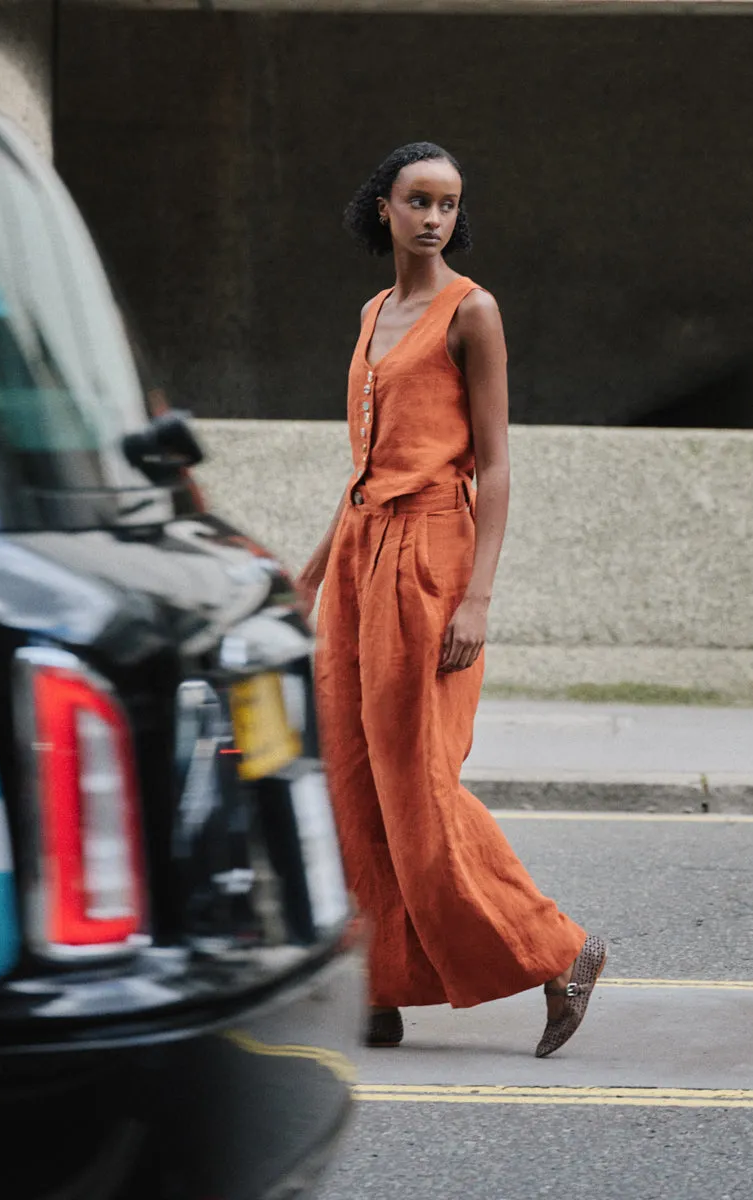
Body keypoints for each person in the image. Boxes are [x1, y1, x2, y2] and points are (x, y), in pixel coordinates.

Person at [295, 142, 605, 1057]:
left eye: (448, 204)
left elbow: (498, 466)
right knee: (349, 777)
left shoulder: (475, 313)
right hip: (358, 554)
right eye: (417, 201)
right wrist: (315, 570)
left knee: (419, 782)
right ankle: (381, 983)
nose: (434, 217)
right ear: (382, 209)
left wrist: (478, 597)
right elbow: (365, 467)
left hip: (432, 553)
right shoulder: (374, 311)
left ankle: (561, 951)